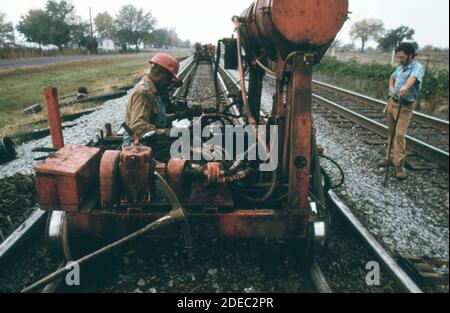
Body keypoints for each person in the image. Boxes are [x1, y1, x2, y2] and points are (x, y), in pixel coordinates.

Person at [123, 53, 193, 162]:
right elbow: (139, 129)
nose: (169, 82)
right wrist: (170, 132)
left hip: (152, 141)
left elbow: (158, 118)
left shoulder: (154, 91)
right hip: (139, 147)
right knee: (187, 154)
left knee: (189, 141)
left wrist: (180, 116)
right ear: (157, 73)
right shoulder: (144, 93)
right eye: (168, 78)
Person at [378, 43, 425, 180]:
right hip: (392, 103)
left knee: (399, 135)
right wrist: (391, 88)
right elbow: (392, 77)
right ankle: (390, 158)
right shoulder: (400, 67)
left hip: (405, 106)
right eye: (398, 57)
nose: (399, 59)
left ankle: (399, 166)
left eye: (402, 57)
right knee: (391, 133)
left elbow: (412, 79)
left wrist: (405, 87)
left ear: (410, 55)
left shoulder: (417, 67)